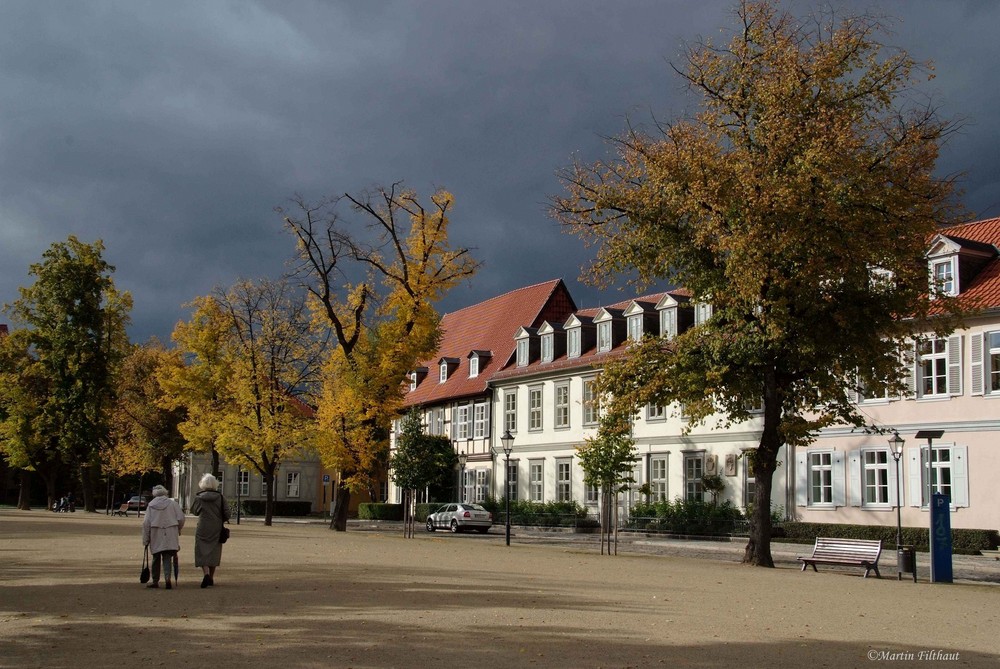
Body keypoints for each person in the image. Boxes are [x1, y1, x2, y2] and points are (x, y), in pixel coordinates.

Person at [141, 485, 185, 590]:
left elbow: (146, 523)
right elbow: (181, 518)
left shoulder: (151, 505)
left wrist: (146, 539)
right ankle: (167, 579)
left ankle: (155, 581)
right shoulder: (173, 504)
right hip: (170, 532)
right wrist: (178, 528)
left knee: (156, 558)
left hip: (156, 533)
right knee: (167, 557)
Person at [191, 473, 229, 588]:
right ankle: (211, 577)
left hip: (203, 526)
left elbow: (194, 511)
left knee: (201, 550)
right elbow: (227, 514)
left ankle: (206, 573)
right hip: (216, 527)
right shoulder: (221, 497)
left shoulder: (199, 497)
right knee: (214, 551)